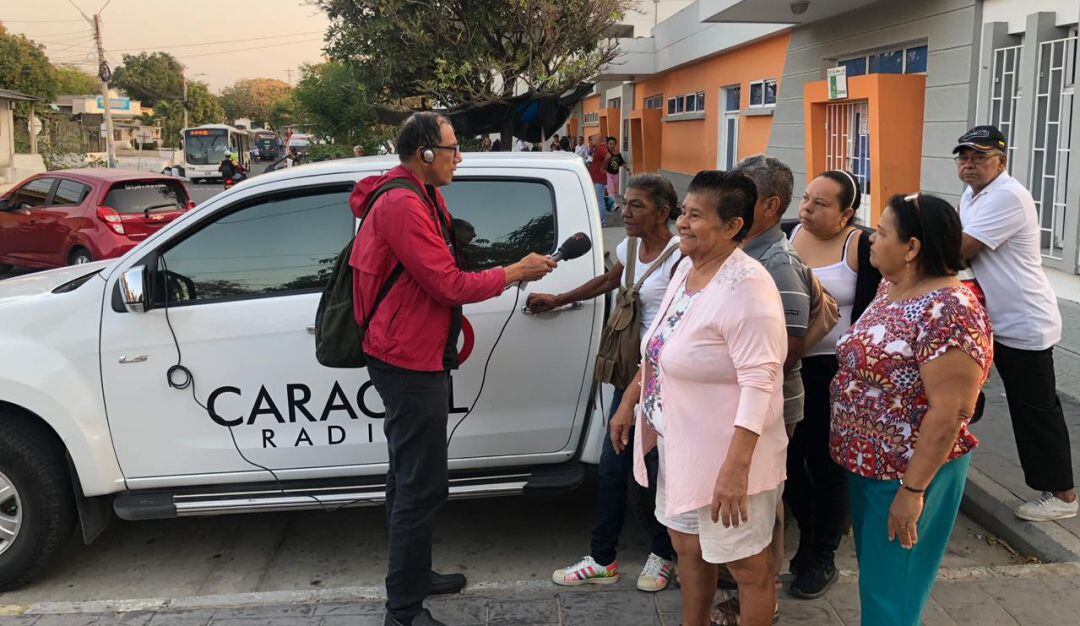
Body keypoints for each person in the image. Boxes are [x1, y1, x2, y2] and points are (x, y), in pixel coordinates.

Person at [350, 112, 557, 626]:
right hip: (406, 358)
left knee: (411, 476)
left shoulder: (421, 196)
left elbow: (448, 268)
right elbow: (448, 284)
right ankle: (403, 608)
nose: (458, 157)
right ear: (423, 153)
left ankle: (414, 577)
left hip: (417, 352)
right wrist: (515, 272)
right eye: (452, 148)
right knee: (420, 484)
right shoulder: (401, 203)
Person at [612, 170, 788, 626]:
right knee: (688, 547)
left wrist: (736, 468)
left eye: (695, 215)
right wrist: (631, 398)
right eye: (684, 212)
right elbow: (661, 343)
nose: (683, 224)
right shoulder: (689, 270)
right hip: (682, 443)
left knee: (747, 565)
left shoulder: (748, 286)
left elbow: (761, 379)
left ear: (732, 227)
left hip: (729, 455)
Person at [831, 192, 992, 626]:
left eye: (881, 233)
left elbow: (952, 411)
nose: (869, 240)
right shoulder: (893, 286)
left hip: (908, 473)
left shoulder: (950, 311)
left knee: (893, 600)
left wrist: (912, 492)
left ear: (912, 248)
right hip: (869, 465)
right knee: (880, 586)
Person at [528, 174, 682, 592]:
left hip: (663, 379)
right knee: (613, 470)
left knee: (657, 472)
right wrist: (558, 299)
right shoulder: (630, 249)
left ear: (663, 212)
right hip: (627, 378)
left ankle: (662, 554)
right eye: (624, 203)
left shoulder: (680, 259)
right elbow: (608, 281)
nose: (624, 212)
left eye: (636, 206)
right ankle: (601, 558)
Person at [703, 154, 810, 624]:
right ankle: (741, 592)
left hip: (767, 410)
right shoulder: (741, 252)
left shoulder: (777, 263)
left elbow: (789, 346)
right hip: (735, 407)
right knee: (737, 513)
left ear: (769, 204)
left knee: (763, 510)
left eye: (743, 190)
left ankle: (760, 600)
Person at [953, 125, 1076, 521]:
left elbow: (960, 252)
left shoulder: (1007, 196)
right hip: (992, 320)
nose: (969, 164)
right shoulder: (971, 196)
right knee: (968, 396)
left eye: (980, 157)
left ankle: (1063, 496)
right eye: (964, 157)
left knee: (1035, 410)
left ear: (1001, 162)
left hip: (1023, 322)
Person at [785, 169, 882, 597]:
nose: (806, 209)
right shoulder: (789, 238)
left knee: (828, 465)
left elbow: (877, 310)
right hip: (791, 366)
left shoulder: (860, 246)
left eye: (820, 204)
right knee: (787, 462)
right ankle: (813, 533)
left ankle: (819, 554)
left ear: (847, 213)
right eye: (806, 199)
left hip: (837, 373)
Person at [587, 134, 611, 225]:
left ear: (597, 140)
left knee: (599, 201)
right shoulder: (595, 149)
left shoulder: (601, 148)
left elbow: (608, 156)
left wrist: (603, 167)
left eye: (592, 140)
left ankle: (602, 222)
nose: (591, 142)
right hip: (595, 178)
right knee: (597, 200)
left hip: (599, 179)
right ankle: (599, 220)